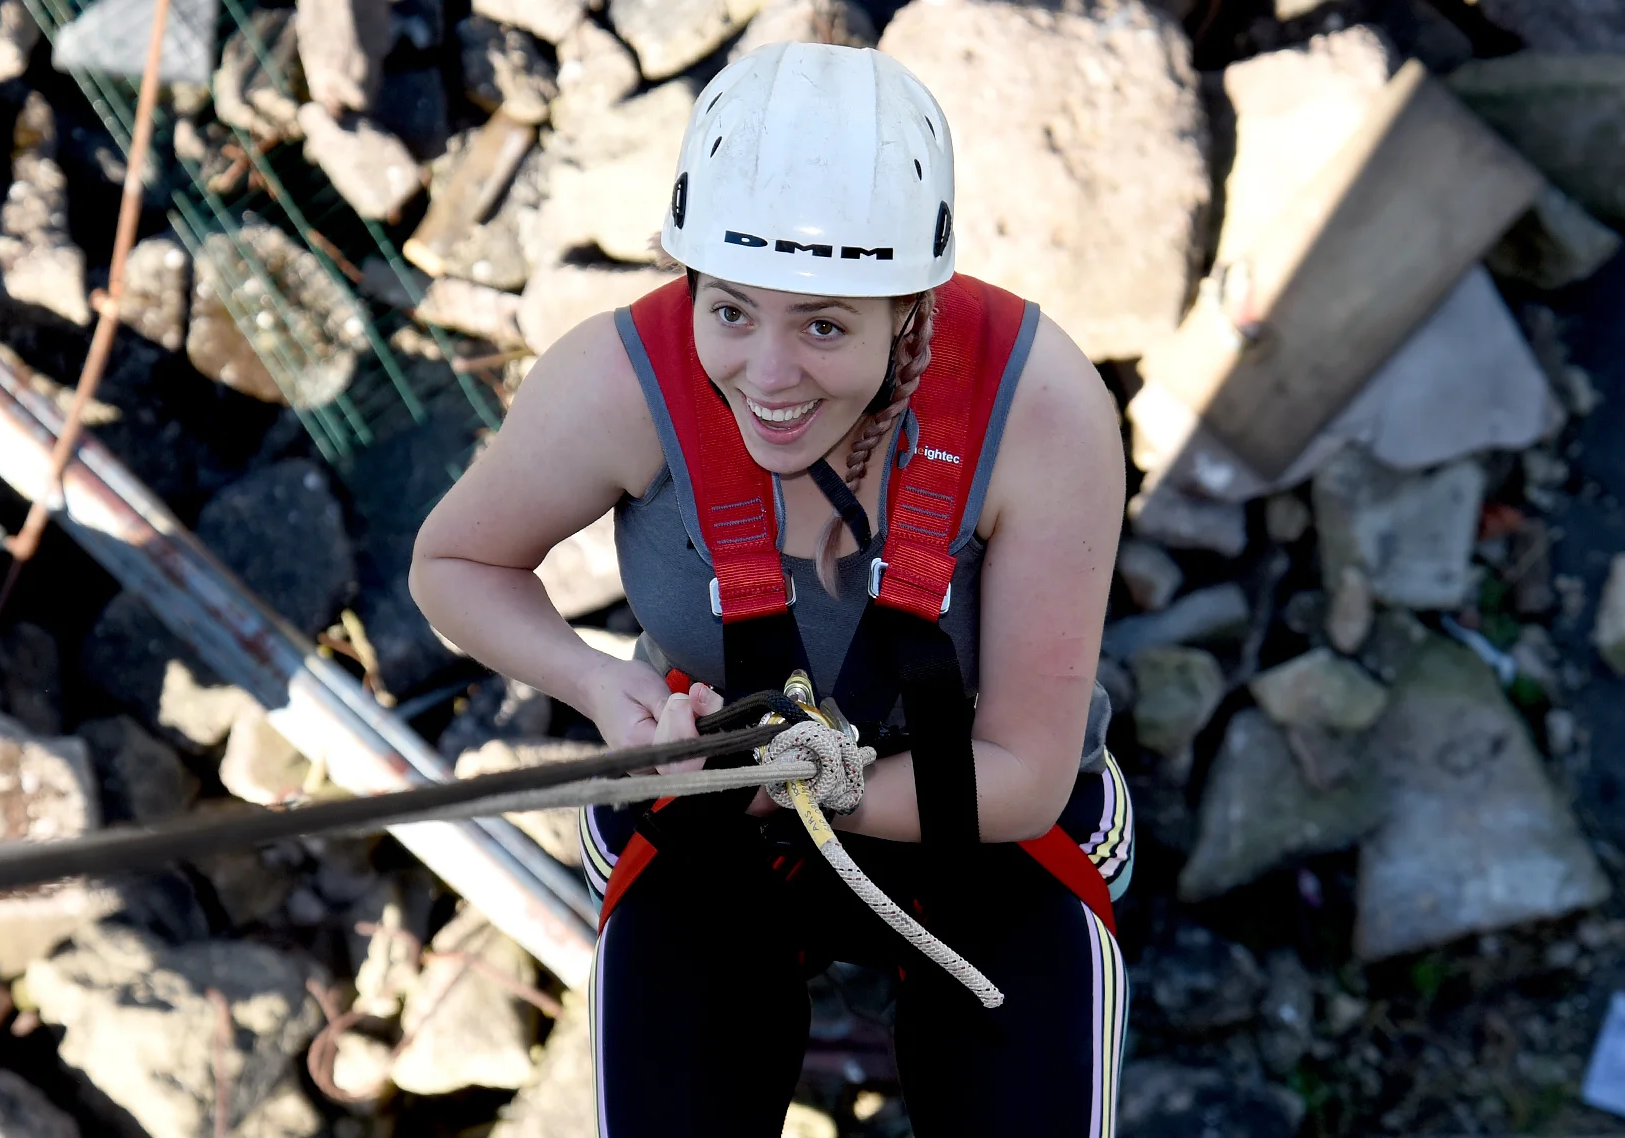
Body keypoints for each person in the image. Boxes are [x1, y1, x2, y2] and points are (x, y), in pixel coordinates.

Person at [410, 42, 1131, 1136]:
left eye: (826, 324)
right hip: (712, 808)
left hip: (987, 828)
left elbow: (1026, 772)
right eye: (732, 311)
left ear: (911, 312)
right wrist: (603, 689)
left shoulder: (1039, 411)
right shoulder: (615, 385)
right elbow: (456, 565)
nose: (768, 375)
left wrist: (809, 784)